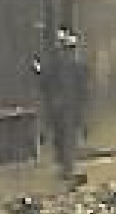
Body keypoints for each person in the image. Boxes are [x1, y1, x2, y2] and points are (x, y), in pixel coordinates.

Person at [33, 27, 90, 183]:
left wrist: (39, 71)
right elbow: (83, 90)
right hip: (67, 108)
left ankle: (67, 169)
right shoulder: (78, 66)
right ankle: (67, 168)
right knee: (65, 139)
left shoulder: (62, 65)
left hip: (62, 108)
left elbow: (46, 83)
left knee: (63, 139)